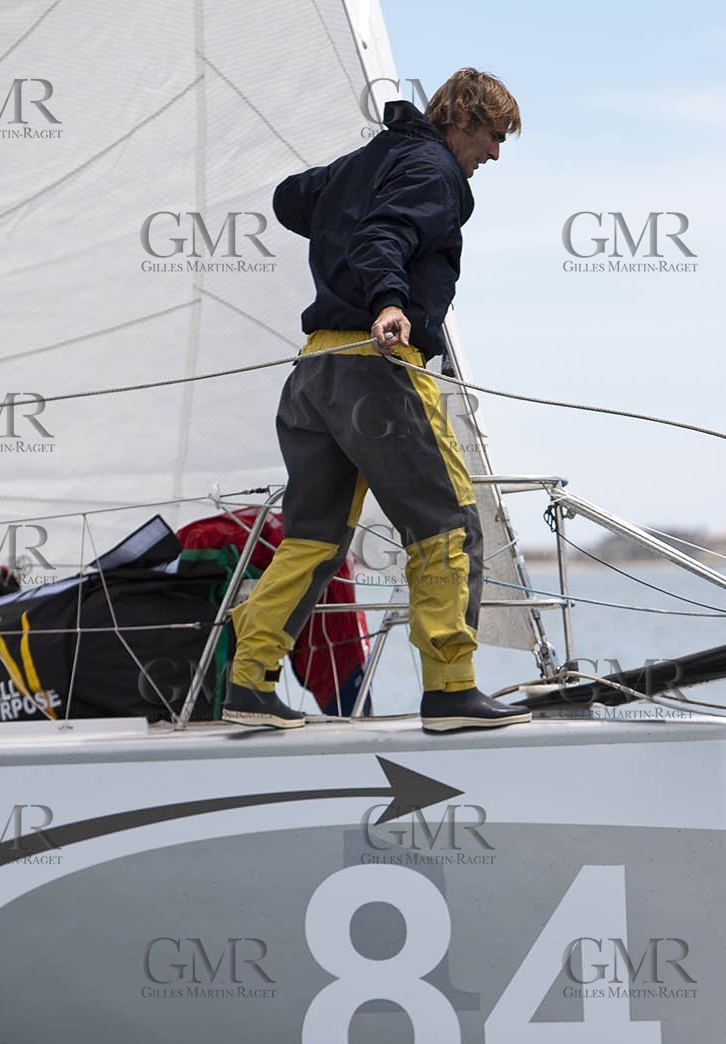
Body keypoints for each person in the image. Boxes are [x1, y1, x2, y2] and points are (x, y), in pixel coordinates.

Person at [222, 67, 532, 734]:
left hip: (314, 372)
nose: (495, 154)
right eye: (493, 135)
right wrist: (389, 300)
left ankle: (249, 681)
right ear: (460, 120)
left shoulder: (374, 159)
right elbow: (384, 236)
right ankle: (451, 690)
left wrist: (345, 192)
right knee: (446, 524)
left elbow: (289, 200)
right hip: (377, 367)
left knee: (311, 539)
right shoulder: (431, 170)